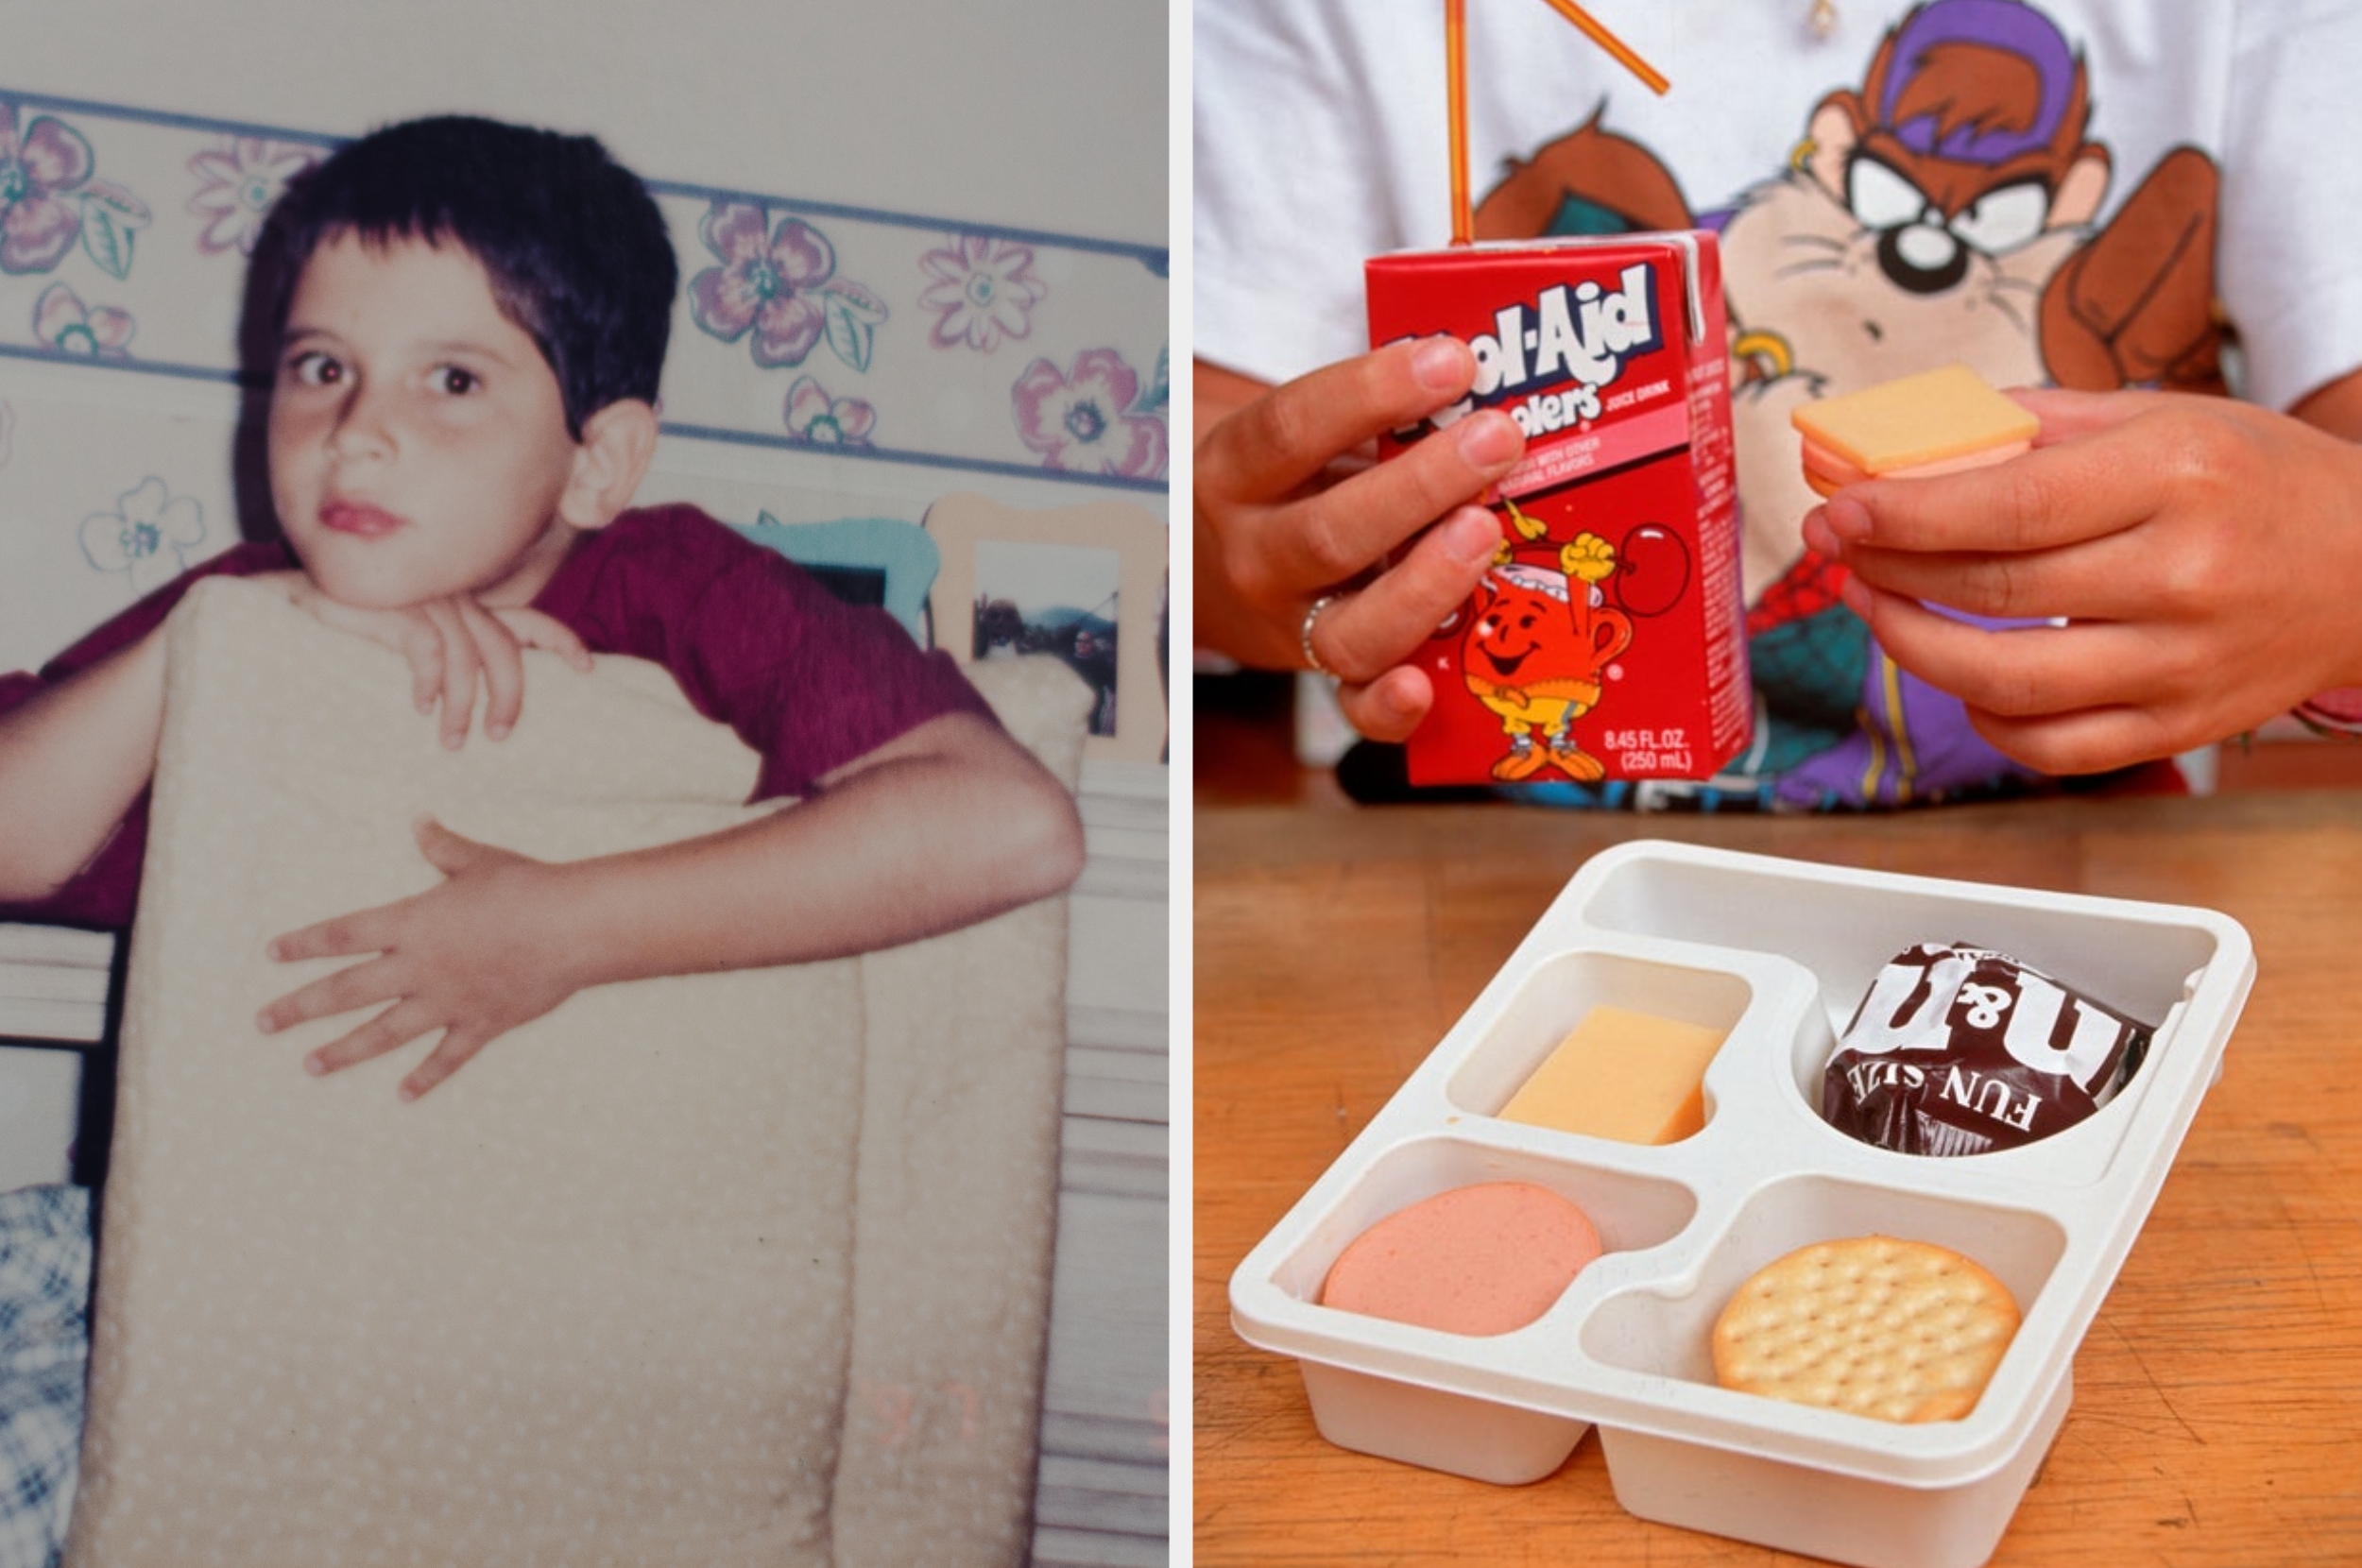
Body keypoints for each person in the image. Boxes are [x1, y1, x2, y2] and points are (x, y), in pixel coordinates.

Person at [0, 114, 1086, 1099]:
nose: (356, 429)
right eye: (323, 366)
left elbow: (1009, 826)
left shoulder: (688, 591)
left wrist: (557, 929)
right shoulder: (236, 605)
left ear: (598, 461)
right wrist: (223, 632)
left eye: (454, 381)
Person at [1196, 0, 2362, 806]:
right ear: (1840, 146)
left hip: (2078, 838)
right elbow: (1196, 509)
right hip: (1490, 835)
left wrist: (2339, 561)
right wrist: (1255, 564)